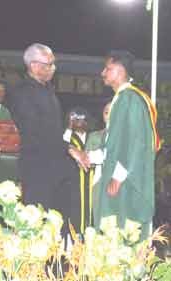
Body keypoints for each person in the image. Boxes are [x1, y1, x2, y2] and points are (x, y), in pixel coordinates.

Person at [6, 43, 85, 236]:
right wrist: (70, 149)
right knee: (36, 224)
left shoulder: (48, 90)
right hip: (37, 169)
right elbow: (36, 130)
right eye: (49, 64)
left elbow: (54, 129)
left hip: (55, 169)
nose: (53, 68)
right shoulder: (22, 92)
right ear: (34, 66)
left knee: (58, 225)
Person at [90, 50, 160, 240]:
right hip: (116, 176)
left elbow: (137, 142)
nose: (103, 73)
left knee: (124, 231)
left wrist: (118, 176)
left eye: (108, 68)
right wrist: (88, 156)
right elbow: (115, 144)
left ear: (121, 71)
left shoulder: (130, 99)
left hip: (125, 181)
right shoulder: (121, 99)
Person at [63, 107, 93, 233]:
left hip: (91, 182)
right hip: (73, 182)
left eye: (82, 119)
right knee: (74, 212)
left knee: (90, 212)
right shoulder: (68, 137)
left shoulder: (93, 137)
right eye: (75, 119)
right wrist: (69, 127)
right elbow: (63, 145)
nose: (79, 121)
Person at [85, 101, 111, 226]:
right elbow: (86, 160)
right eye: (106, 111)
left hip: (121, 185)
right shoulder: (94, 136)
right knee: (98, 221)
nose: (109, 113)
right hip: (98, 183)